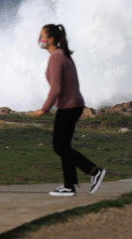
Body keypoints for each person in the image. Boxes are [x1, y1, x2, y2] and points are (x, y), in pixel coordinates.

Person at [30, 23, 106, 197]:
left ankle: (94, 171)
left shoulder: (56, 57)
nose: (39, 39)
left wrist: (44, 109)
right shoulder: (62, 54)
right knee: (64, 146)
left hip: (69, 106)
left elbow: (56, 88)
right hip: (73, 105)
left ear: (50, 39)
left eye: (41, 36)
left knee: (60, 146)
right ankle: (69, 186)